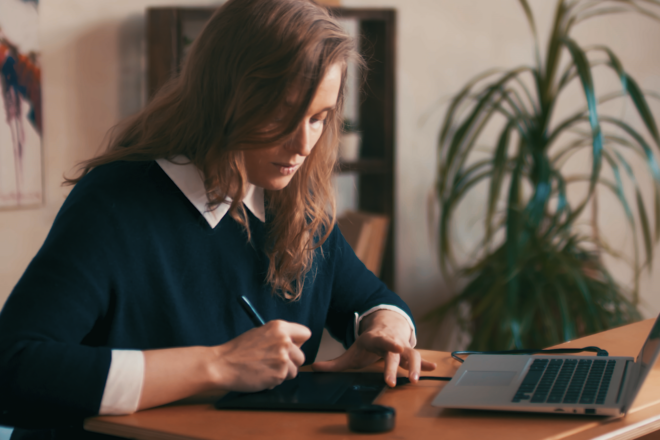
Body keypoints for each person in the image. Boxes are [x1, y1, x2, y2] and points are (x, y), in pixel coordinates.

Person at [0, 0, 435, 438]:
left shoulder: (295, 208)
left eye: (318, 119)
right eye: (283, 115)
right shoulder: (115, 204)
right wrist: (217, 364)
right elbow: (13, 368)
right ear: (225, 99)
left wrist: (388, 326)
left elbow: (375, 300)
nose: (303, 143)